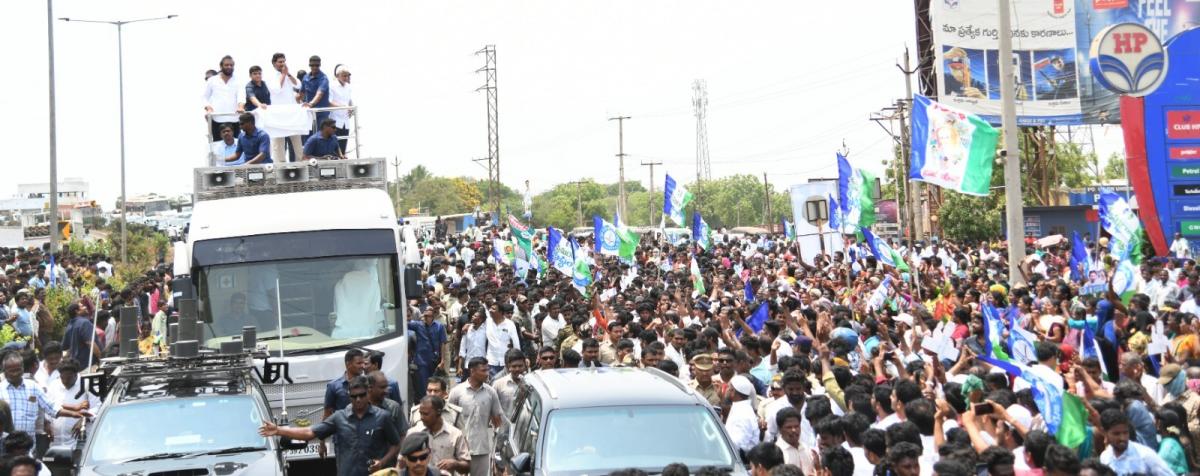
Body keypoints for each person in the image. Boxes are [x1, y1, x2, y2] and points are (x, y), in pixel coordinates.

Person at [260, 375, 401, 476]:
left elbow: (396, 445)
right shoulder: (339, 417)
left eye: (362, 395)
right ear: (349, 396)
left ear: (368, 393)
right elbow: (310, 432)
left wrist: (382, 462)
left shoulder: (382, 417)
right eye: (354, 396)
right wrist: (278, 430)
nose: (358, 400)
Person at [0, 352, 89, 438]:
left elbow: (51, 407)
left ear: (22, 368)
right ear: (4, 371)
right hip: (5, 445)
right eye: (11, 371)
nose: (15, 374)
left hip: (28, 446)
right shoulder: (1, 390)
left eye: (18, 370)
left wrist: (74, 414)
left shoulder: (33, 387)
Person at [447, 357, 502, 476]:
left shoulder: (491, 392)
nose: (487, 374)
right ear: (472, 371)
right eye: (483, 370)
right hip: (460, 449)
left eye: (488, 370)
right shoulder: (457, 392)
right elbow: (449, 421)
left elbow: (498, 421)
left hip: (481, 449)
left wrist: (496, 448)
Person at [1098, 408, 1175, 476]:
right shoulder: (1105, 458)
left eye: (1125, 432)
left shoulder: (1145, 456)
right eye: (1116, 434)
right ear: (1104, 432)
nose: (1122, 438)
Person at [406, 396, 470, 476]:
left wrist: (455, 464)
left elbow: (467, 466)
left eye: (426, 414)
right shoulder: (413, 433)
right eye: (420, 413)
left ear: (439, 412)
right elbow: (402, 462)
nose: (421, 417)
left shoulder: (455, 434)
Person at [45, 358, 97, 450]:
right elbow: (47, 408)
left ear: (76, 375)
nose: (65, 381)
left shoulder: (87, 384)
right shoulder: (53, 385)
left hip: (79, 441)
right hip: (56, 442)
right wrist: (47, 423)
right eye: (62, 378)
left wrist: (84, 420)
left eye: (69, 378)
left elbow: (97, 407)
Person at [266, 53, 304, 162]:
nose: (282, 64)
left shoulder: (287, 75)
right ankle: (280, 167)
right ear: (274, 63)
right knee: (278, 145)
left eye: (283, 61)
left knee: (297, 143)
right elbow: (277, 89)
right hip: (278, 114)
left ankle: (300, 165)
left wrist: (288, 75)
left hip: (292, 113)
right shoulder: (270, 77)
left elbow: (299, 85)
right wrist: (283, 75)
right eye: (280, 62)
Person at [203, 55, 244, 142]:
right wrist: (208, 108)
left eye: (231, 65)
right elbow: (204, 96)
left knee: (237, 145)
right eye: (226, 65)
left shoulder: (238, 81)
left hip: (234, 118)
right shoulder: (212, 80)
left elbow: (241, 96)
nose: (229, 67)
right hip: (217, 118)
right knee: (217, 147)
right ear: (221, 66)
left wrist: (240, 106)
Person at [369, 370, 409, 446]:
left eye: (386, 386)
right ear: (370, 388)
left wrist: (399, 453)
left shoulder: (394, 407)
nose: (386, 391)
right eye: (382, 387)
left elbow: (403, 434)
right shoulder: (361, 407)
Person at [725, 374, 760, 455]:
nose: (726, 390)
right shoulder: (740, 408)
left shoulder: (742, 413)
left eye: (728, 387)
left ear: (733, 391)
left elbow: (738, 444)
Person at [483, 304, 520, 378]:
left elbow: (516, 343)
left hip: (506, 363)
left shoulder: (510, 324)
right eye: (490, 308)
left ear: (500, 312)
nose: (490, 310)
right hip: (491, 361)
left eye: (493, 309)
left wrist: (518, 359)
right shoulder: (487, 322)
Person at [491, 349, 526, 417]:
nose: (517, 369)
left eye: (520, 366)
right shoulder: (498, 382)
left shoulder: (527, 381)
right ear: (508, 366)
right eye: (514, 366)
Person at [301, 55, 331, 132]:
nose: (314, 67)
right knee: (309, 139)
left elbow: (319, 94)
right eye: (312, 65)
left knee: (321, 138)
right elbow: (301, 94)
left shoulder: (324, 78)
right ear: (309, 65)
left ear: (320, 65)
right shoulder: (305, 77)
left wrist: (311, 104)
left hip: (321, 114)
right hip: (309, 114)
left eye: (317, 65)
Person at [330, 64, 354, 154]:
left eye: (347, 75)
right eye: (344, 75)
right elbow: (329, 102)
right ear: (337, 76)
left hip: (345, 121)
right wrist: (341, 107)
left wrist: (350, 108)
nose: (346, 77)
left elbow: (349, 100)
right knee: (334, 149)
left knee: (343, 148)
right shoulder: (331, 86)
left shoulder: (348, 87)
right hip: (335, 120)